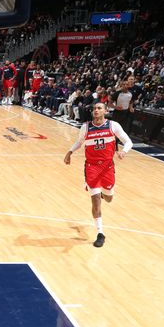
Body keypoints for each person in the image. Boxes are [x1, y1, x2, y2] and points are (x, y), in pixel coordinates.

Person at [64, 102, 133, 248]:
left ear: (105, 111)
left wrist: (123, 151)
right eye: (94, 108)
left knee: (108, 198)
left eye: (99, 108)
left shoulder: (113, 125)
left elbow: (128, 142)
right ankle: (100, 233)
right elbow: (79, 141)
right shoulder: (86, 127)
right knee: (95, 200)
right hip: (91, 167)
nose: (96, 110)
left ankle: (103, 193)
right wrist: (70, 152)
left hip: (107, 167)